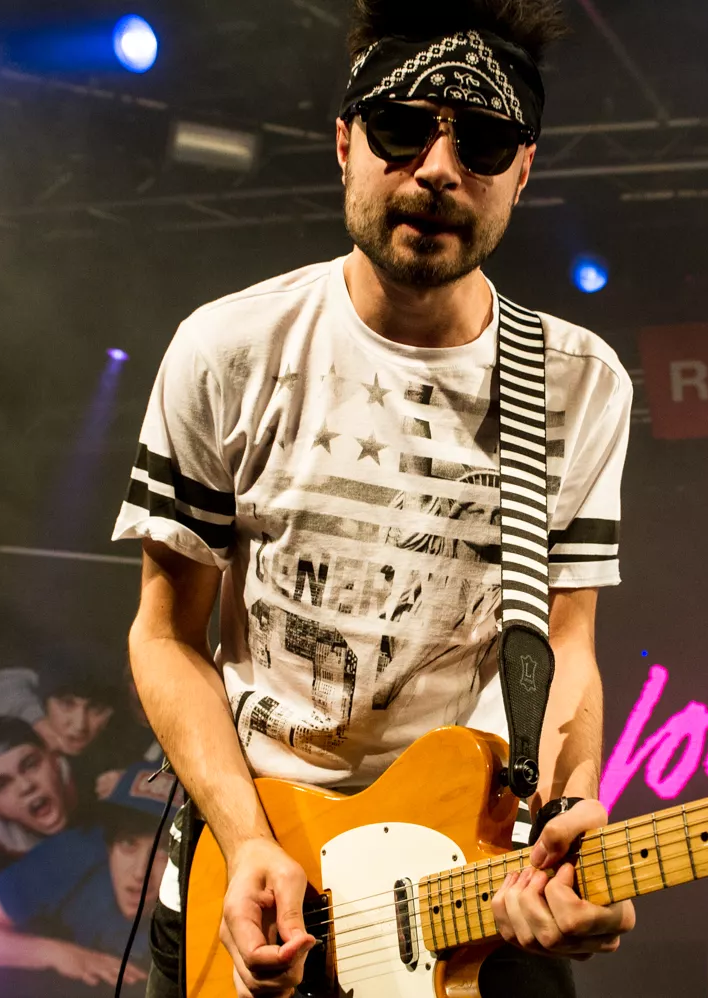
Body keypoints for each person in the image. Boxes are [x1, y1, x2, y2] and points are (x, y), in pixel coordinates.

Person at [113, 2, 636, 995]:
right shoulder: (229, 351)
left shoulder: (579, 382)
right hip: (268, 854)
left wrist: (575, 808)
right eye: (402, 128)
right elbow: (166, 634)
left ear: (524, 170)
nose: (438, 169)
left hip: (474, 868)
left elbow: (568, 642)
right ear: (345, 142)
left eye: (483, 142)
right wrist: (245, 835)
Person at [0, 761, 175, 990]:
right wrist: (57, 954)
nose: (140, 872)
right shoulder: (71, 854)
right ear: (108, 845)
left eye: (166, 851)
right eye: (128, 843)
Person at [0, 718, 78, 889]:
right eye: (1, 786)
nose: (26, 786)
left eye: (31, 765)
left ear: (54, 760)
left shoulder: (105, 794)